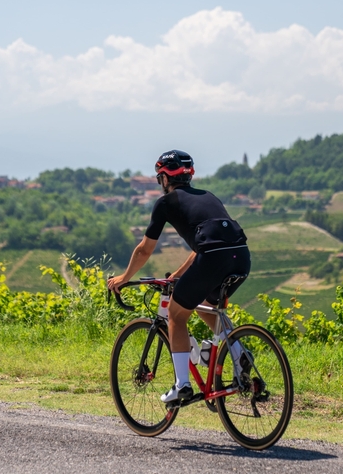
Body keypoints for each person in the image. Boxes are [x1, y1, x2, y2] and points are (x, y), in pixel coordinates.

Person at [106, 150, 250, 405]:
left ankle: (182, 384)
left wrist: (124, 277)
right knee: (205, 303)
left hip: (213, 260)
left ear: (164, 178)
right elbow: (206, 247)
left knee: (175, 314)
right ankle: (238, 354)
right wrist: (178, 275)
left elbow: (144, 249)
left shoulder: (166, 203)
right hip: (240, 257)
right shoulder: (208, 196)